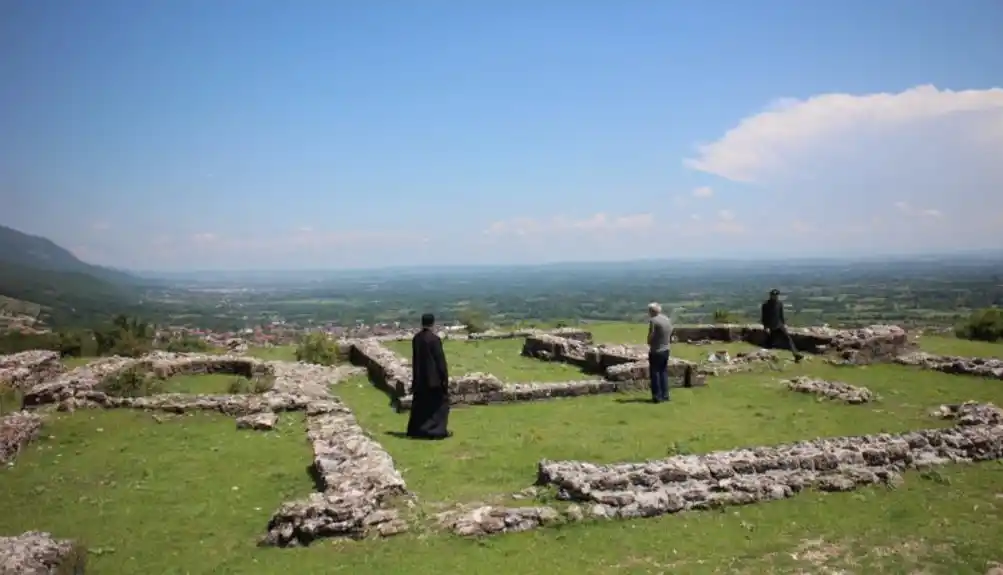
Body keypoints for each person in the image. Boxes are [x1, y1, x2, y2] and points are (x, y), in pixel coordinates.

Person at [406, 313, 452, 439]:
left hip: (420, 378)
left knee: (420, 407)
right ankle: (436, 430)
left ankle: (417, 430)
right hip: (434, 380)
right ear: (433, 323)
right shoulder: (434, 339)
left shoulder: (416, 338)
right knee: (438, 406)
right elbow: (440, 361)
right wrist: (444, 378)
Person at [760, 289, 803, 362]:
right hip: (771, 326)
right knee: (769, 342)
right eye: (774, 295)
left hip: (779, 325)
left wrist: (784, 324)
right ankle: (764, 356)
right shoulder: (765, 305)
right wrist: (765, 327)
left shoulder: (779, 304)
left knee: (788, 339)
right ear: (771, 296)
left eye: (776, 295)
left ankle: (796, 354)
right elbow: (764, 317)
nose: (775, 297)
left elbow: (781, 315)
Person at [646, 302, 673, 403]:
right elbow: (671, 331)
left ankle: (657, 396)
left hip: (656, 350)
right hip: (666, 349)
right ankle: (665, 395)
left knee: (655, 373)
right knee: (664, 372)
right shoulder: (666, 319)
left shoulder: (654, 321)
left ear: (651, 311)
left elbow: (651, 335)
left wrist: (649, 342)